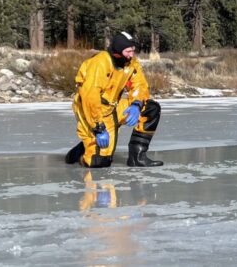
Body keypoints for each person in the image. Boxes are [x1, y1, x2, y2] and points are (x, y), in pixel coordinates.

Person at [64, 31, 164, 168]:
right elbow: (89, 98)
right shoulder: (100, 63)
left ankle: (137, 157)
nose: (131, 54)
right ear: (118, 50)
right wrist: (98, 128)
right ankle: (79, 152)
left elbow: (140, 85)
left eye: (133, 51)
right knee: (99, 162)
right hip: (93, 112)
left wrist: (136, 104)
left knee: (151, 108)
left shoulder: (131, 63)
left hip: (113, 108)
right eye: (128, 51)